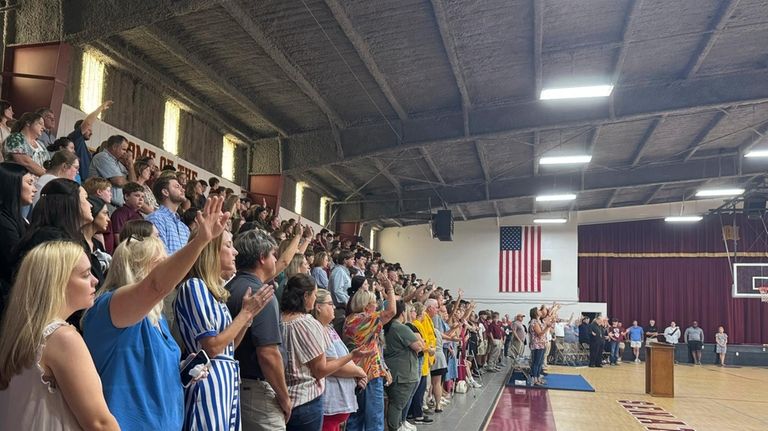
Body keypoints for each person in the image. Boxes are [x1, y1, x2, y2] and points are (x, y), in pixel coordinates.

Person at [81, 196, 229, 430]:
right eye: (162, 264)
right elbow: (156, 285)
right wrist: (200, 241)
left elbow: (151, 375)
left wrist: (183, 370)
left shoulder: (156, 317)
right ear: (140, 267)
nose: (172, 273)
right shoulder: (109, 306)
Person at [0, 241, 120, 430]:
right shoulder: (62, 338)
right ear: (57, 282)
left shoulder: (19, 332)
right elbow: (100, 423)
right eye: (85, 274)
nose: (95, 280)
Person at [174, 228, 274, 430]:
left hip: (226, 382)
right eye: (228, 245)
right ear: (210, 251)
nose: (235, 252)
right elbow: (211, 348)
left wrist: (247, 318)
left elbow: (229, 347)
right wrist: (245, 314)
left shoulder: (215, 294)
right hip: (208, 384)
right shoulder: (194, 286)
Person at [226, 229, 292, 430]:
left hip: (237, 385)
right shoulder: (261, 294)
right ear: (262, 258)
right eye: (273, 254)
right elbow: (268, 354)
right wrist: (284, 398)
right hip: (256, 391)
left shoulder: (230, 287)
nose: (276, 260)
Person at [282, 274, 367, 431]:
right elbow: (322, 369)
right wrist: (352, 358)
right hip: (306, 398)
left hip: (291, 396)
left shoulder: (282, 319)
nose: (333, 307)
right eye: (314, 295)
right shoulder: (308, 323)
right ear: (306, 296)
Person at [343, 274, 396, 431]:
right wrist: (390, 288)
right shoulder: (366, 319)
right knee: (374, 419)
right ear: (366, 306)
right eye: (374, 303)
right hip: (369, 373)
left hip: (354, 371)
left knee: (355, 418)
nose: (377, 306)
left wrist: (384, 368)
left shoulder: (349, 319)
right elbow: (392, 311)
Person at [311, 288, 367, 431]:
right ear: (318, 307)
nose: (334, 307)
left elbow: (342, 357)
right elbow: (330, 365)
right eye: (330, 304)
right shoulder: (317, 330)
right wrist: (359, 372)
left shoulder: (329, 328)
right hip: (330, 401)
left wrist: (356, 375)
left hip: (339, 401)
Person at [383, 300, 423, 431]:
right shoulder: (400, 328)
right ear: (402, 313)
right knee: (397, 405)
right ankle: (395, 427)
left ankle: (397, 425)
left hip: (394, 370)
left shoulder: (388, 327)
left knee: (395, 404)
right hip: (403, 373)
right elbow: (419, 346)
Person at [0, 163, 35, 291]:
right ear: (12, 185)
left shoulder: (17, 218)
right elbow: (16, 262)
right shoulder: (3, 222)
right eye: (29, 183)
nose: (34, 189)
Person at [68, 100, 113, 181]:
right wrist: (101, 108)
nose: (91, 132)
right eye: (89, 130)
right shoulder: (75, 138)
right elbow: (88, 123)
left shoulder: (84, 146)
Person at [88, 134, 136, 207]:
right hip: (101, 202)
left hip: (114, 205)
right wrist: (129, 183)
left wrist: (130, 166)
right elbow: (118, 182)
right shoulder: (103, 157)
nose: (125, 153)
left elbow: (134, 185)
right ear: (114, 147)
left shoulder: (117, 162)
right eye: (123, 149)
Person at [147, 175, 190, 255]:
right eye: (177, 186)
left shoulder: (184, 228)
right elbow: (160, 256)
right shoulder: (155, 218)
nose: (183, 189)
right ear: (165, 192)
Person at [4, 112, 49, 176]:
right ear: (28, 123)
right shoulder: (15, 138)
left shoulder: (41, 144)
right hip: (18, 182)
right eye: (40, 123)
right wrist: (47, 176)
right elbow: (25, 162)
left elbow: (49, 165)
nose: (44, 128)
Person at [82, 196, 111, 286]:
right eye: (105, 213)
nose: (108, 219)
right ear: (93, 212)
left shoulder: (97, 244)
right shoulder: (76, 244)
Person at [109, 182, 145, 251]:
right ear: (126, 196)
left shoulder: (139, 214)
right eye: (137, 196)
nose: (141, 199)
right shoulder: (120, 213)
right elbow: (118, 236)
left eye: (142, 197)